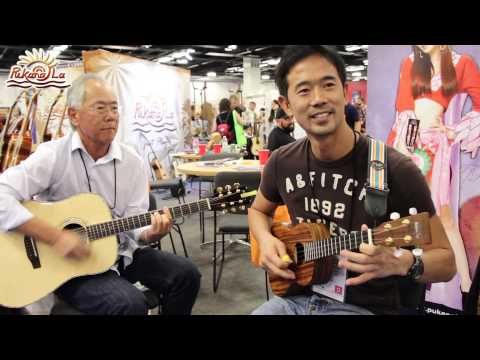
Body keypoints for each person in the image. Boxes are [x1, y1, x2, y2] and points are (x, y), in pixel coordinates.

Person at [248, 45, 456, 315]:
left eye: (328, 85)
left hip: (362, 307)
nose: (319, 98)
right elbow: (257, 210)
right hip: (293, 298)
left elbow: (447, 262)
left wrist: (405, 262)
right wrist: (265, 240)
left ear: (344, 92)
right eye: (304, 90)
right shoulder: (282, 161)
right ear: (286, 104)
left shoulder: (395, 169)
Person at [0, 73, 201, 315]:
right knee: (130, 304)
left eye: (115, 108)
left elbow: (135, 219)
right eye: (100, 107)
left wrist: (150, 233)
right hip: (70, 265)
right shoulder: (53, 155)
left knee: (187, 275)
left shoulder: (132, 162)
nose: (111, 116)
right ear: (74, 115)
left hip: (122, 254)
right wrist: (56, 236)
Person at [387, 45, 480, 309]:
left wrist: (454, 131)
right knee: (407, 218)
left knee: (444, 217)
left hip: (437, 150)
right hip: (408, 145)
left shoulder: (462, 63)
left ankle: (466, 287)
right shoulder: (409, 63)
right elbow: (404, 108)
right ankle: (410, 282)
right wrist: (403, 150)